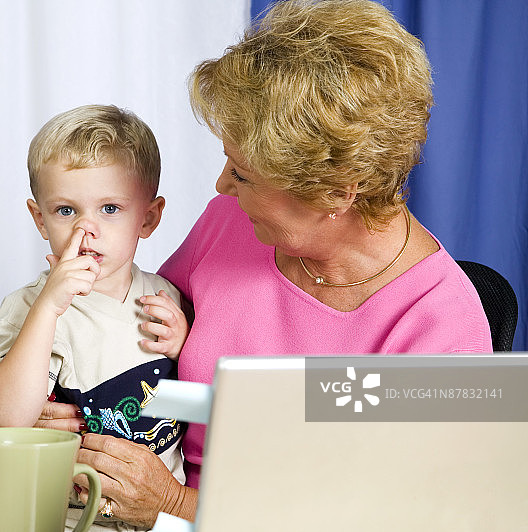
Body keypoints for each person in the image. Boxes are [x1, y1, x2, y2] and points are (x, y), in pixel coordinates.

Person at [35, 0, 493, 527]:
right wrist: (68, 403)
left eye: (244, 174)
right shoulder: (233, 222)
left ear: (334, 193)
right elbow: (137, 343)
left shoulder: (440, 327)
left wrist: (175, 506)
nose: (223, 185)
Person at [0, 104, 189, 531]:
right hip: (72, 520)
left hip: (160, 517)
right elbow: (11, 416)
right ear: (40, 219)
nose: (86, 229)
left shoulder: (167, 296)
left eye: (110, 208)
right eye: (66, 211)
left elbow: (192, 398)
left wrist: (185, 343)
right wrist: (49, 308)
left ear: (148, 217)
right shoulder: (29, 307)